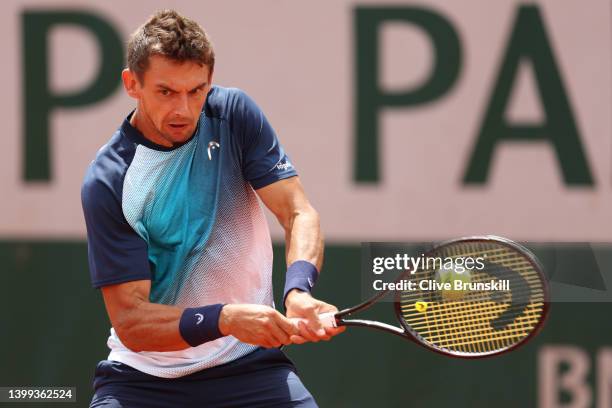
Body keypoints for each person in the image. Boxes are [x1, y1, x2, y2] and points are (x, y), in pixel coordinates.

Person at [81, 9, 344, 407]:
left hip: (250, 369)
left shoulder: (233, 115)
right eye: (166, 92)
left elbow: (297, 212)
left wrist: (298, 292)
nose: (183, 110)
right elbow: (132, 322)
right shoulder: (110, 179)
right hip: (144, 382)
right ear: (132, 83)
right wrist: (225, 318)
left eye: (196, 91)